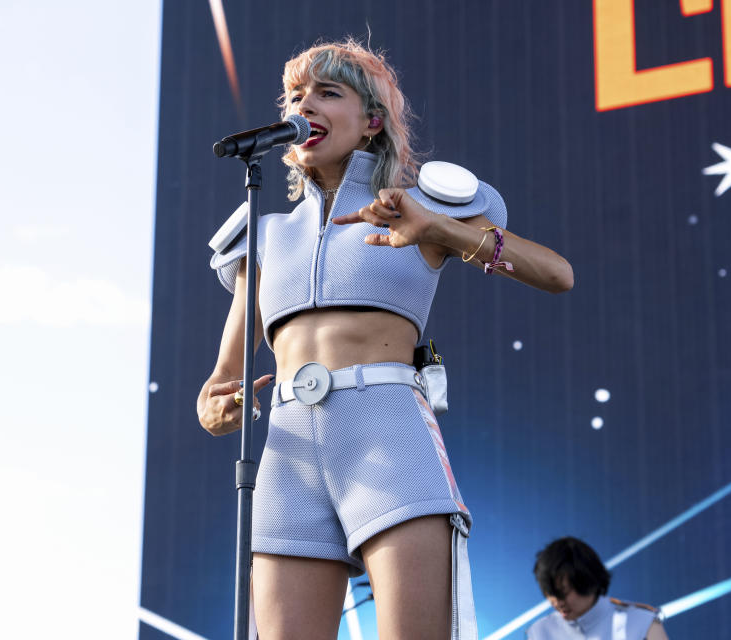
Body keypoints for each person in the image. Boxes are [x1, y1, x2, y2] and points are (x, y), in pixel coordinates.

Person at [197, 37, 573, 640]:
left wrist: (441, 227)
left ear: (372, 120)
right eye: (296, 95)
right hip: (287, 454)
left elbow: (557, 275)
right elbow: (218, 384)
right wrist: (216, 408)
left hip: (387, 435)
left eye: (328, 92)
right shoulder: (262, 234)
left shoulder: (420, 205)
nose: (305, 105)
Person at [527, 537, 669, 640]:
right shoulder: (540, 632)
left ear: (587, 581)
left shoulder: (642, 623)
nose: (557, 602)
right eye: (550, 593)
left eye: (563, 592)